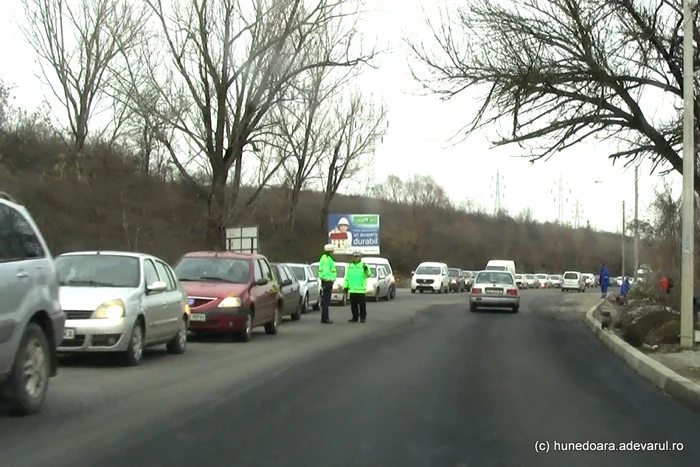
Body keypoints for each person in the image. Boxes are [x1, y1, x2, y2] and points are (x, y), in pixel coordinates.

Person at [346, 251, 371, 323]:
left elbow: (368, 274)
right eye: (355, 257)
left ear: (360, 257)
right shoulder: (350, 266)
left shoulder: (364, 265)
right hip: (352, 289)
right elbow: (347, 276)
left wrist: (366, 270)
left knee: (362, 305)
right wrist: (345, 285)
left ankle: (363, 317)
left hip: (360, 289)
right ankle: (355, 317)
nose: (356, 258)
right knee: (353, 305)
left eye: (358, 257)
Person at [318, 244, 337, 324]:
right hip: (327, 281)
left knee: (325, 301)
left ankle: (324, 317)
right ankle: (325, 318)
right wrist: (330, 280)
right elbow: (326, 271)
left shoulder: (324, 258)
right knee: (326, 301)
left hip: (326, 281)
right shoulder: (327, 259)